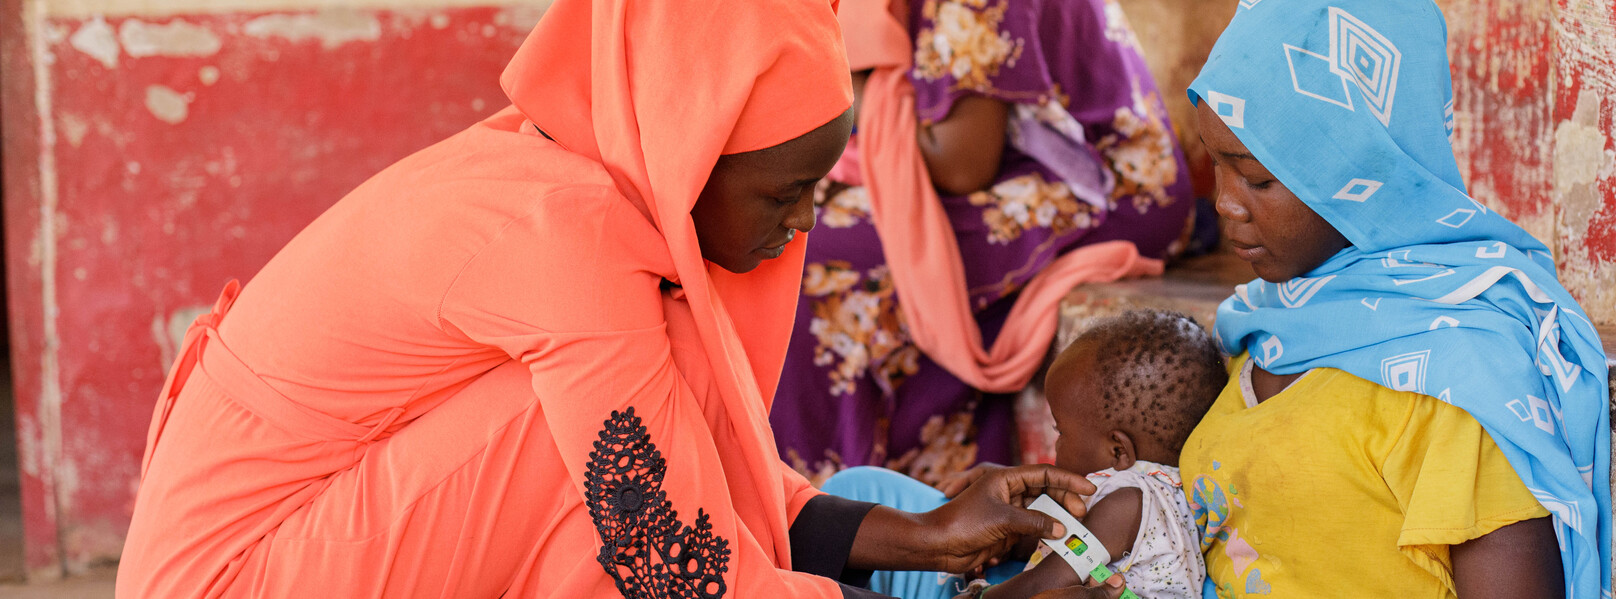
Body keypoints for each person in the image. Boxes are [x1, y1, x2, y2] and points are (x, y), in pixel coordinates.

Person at [116, 1, 1125, 598]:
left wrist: (923, 533)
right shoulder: (559, 239)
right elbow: (670, 551)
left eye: (817, 186)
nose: (803, 224)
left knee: (623, 441)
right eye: (781, 192)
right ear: (685, 152)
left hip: (306, 545)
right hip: (230, 580)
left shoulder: (584, 176)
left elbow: (681, 463)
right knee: (596, 458)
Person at [1180, 0, 1613, 597]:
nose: (1225, 203)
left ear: (1360, 172)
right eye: (1214, 166)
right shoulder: (1261, 329)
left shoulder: (1455, 371)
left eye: (1256, 178)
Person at [773, 0, 1197, 486]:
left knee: (820, 256)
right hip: (1018, 157)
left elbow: (960, 163)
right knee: (819, 214)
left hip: (1112, 186)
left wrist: (858, 84)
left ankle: (828, 501)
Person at [824, 309, 1225, 599]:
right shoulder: (1163, 494)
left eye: (1061, 431)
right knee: (853, 491)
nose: (1056, 446)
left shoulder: (1127, 501)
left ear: (1118, 450)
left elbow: (1044, 584)